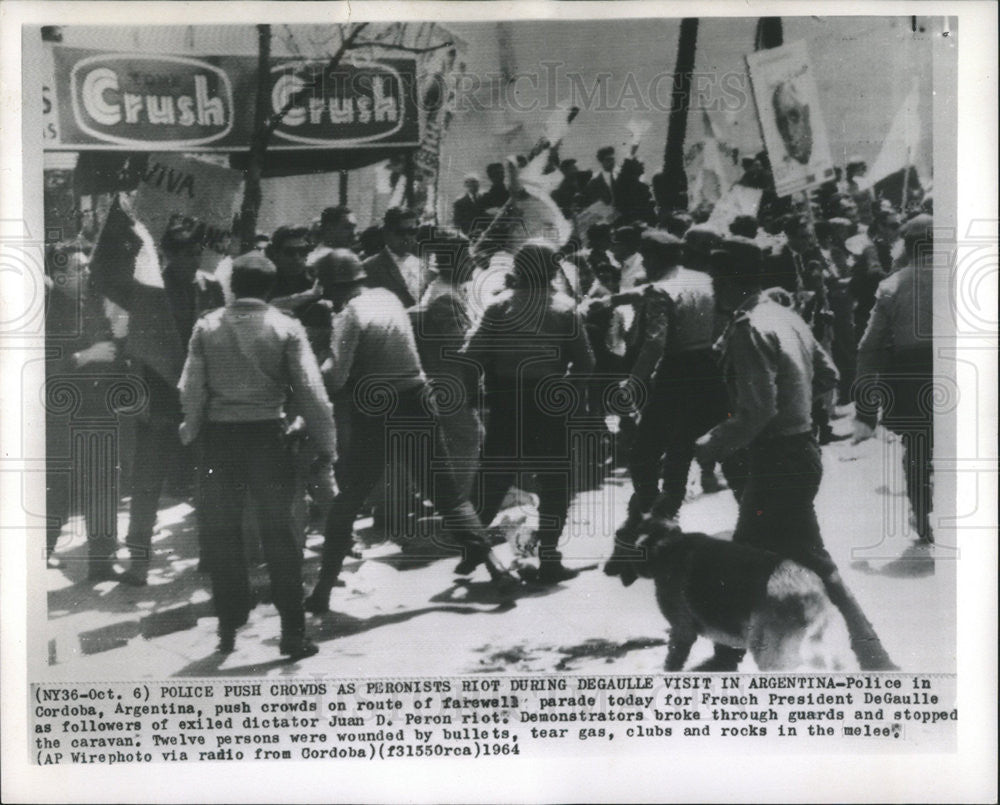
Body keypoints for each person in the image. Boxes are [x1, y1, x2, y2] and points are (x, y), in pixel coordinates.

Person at [691, 237, 897, 671]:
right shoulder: (785, 316)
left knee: (755, 557)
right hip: (800, 450)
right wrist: (797, 407)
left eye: (717, 281)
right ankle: (868, 649)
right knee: (794, 556)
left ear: (728, 282)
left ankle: (727, 657)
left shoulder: (748, 328)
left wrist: (712, 445)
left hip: (776, 457)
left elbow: (757, 410)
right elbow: (827, 374)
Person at [305, 250, 514, 613]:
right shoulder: (386, 298)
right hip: (418, 397)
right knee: (448, 494)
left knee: (349, 498)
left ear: (331, 287)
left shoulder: (349, 316)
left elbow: (336, 378)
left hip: (379, 407)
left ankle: (322, 590)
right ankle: (496, 570)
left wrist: (316, 358)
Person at [178, 252, 334, 658]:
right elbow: (311, 391)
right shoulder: (286, 327)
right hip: (269, 436)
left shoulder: (207, 326)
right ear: (269, 287)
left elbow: (191, 388)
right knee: (280, 534)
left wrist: (191, 429)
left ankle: (229, 626)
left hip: (219, 440)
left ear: (234, 286)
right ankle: (293, 633)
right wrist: (326, 442)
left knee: (223, 533)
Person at [462, 242, 595, 584]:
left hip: (506, 401)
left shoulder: (497, 306)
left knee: (493, 480)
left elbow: (470, 355)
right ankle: (549, 559)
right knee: (555, 484)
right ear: (553, 271)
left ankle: (472, 549)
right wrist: (571, 399)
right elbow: (585, 363)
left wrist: (472, 394)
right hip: (549, 402)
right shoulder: (565, 308)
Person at [114, 223, 225, 586]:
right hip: (160, 397)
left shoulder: (211, 287)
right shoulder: (150, 291)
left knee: (209, 479)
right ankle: (139, 561)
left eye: (196, 252)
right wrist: (141, 396)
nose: (193, 259)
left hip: (201, 395)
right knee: (148, 482)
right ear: (169, 255)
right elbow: (137, 352)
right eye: (185, 253)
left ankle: (211, 554)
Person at [605, 230, 727, 536]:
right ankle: (668, 511)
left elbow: (655, 344)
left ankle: (658, 514)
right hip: (710, 366)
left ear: (657, 258)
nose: (643, 264)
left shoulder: (661, 291)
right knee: (681, 446)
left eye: (646, 258)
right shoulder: (703, 280)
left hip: (677, 370)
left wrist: (633, 383)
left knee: (643, 454)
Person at [852, 214, 936, 569]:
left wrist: (865, 410)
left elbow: (868, 347)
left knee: (916, 449)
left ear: (906, 245)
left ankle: (923, 517)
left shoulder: (892, 285)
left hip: (912, 376)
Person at [44, 243, 122, 580]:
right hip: (61, 414)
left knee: (103, 484)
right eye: (79, 269)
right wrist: (86, 356)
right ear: (58, 277)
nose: (88, 272)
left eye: (87, 266)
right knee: (57, 488)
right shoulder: (44, 310)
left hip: (97, 408)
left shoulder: (92, 303)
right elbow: (41, 367)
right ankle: (40, 552)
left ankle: (102, 564)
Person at [409, 231, 482, 498]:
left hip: (448, 380)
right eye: (468, 258)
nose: (473, 264)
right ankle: (456, 505)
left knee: (459, 441)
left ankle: (449, 500)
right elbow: (461, 347)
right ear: (452, 264)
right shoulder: (444, 298)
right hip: (447, 381)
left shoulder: (449, 291)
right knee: (467, 439)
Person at [363, 207, 425, 308]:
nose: (407, 237)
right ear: (386, 233)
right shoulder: (371, 267)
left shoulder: (422, 264)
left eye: (412, 231)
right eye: (400, 232)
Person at [772, 80, 813, 165]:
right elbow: (806, 126)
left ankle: (785, 84)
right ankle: (786, 84)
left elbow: (806, 126)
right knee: (786, 93)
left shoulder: (797, 147)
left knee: (784, 94)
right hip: (792, 116)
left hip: (791, 116)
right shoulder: (802, 144)